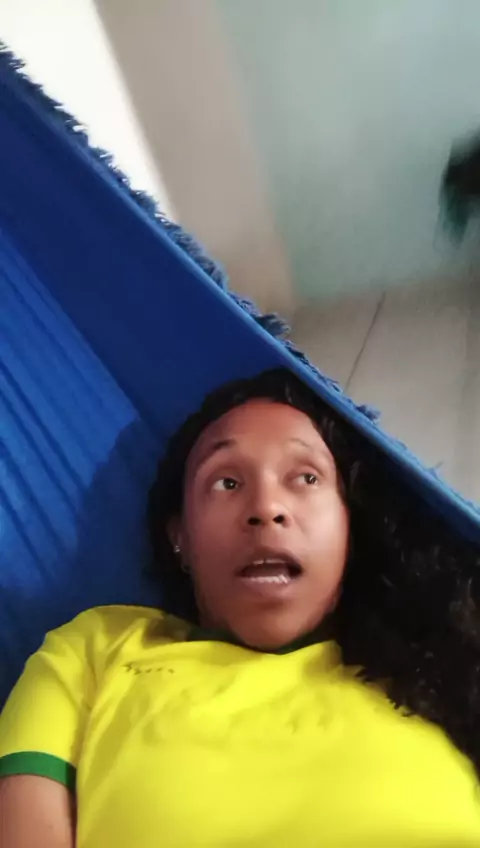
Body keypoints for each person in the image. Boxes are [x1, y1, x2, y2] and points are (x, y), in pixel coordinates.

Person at [1, 367, 480, 847]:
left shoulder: (452, 667)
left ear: (349, 525)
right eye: (226, 483)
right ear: (180, 537)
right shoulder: (98, 645)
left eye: (306, 477)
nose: (266, 507)